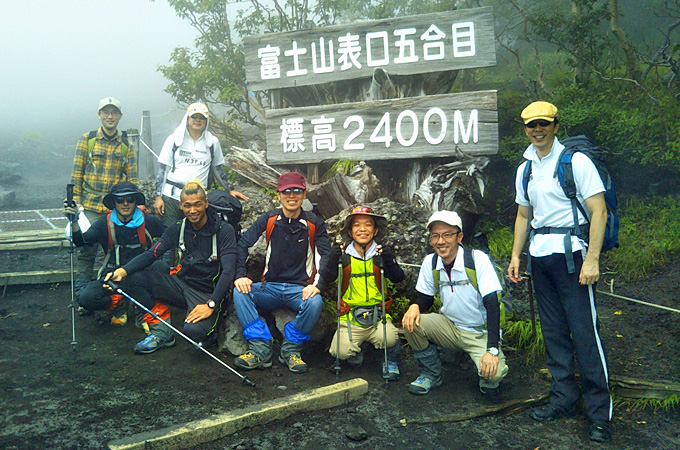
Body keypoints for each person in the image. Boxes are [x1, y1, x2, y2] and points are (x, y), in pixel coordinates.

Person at [508, 101, 612, 443]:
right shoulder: (525, 168)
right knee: (553, 333)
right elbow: (524, 216)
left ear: (555, 125)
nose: (537, 130)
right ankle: (563, 398)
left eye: (544, 124)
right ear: (525, 128)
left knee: (585, 334)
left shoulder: (575, 161)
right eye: (531, 125)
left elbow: (599, 211)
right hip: (540, 258)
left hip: (573, 258)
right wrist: (516, 257)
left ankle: (599, 414)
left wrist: (592, 259)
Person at [106, 179, 237, 354]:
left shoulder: (223, 230)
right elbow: (152, 254)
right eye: (188, 205)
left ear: (206, 204)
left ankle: (215, 322)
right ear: (181, 206)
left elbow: (229, 271)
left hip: (207, 293)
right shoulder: (178, 227)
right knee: (132, 279)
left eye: (197, 205)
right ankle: (162, 331)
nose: (193, 210)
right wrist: (122, 271)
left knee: (193, 332)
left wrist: (211, 304)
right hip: (181, 284)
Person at [232, 172, 330, 373]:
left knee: (315, 302)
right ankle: (260, 349)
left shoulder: (314, 223)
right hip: (269, 288)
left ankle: (291, 350)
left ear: (304, 194)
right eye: (286, 191)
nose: (291, 195)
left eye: (297, 191)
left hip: (300, 290)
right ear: (279, 194)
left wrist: (317, 286)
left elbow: (325, 258)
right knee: (240, 292)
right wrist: (240, 275)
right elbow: (242, 245)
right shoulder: (269, 219)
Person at [402, 210, 508, 396]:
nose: (440, 241)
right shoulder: (431, 262)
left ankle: (486, 370)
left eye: (447, 235)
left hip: (478, 332)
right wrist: (414, 306)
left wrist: (492, 349)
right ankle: (431, 374)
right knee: (411, 324)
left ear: (459, 237)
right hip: (449, 326)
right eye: (435, 236)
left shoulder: (477, 260)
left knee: (494, 375)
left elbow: (492, 305)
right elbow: (425, 298)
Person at [317, 206, 404, 379]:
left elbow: (397, 278)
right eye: (357, 225)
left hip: (378, 315)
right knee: (339, 352)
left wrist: (389, 260)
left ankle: (391, 360)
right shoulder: (344, 256)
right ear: (350, 231)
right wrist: (333, 259)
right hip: (350, 317)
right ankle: (357, 350)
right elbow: (327, 278)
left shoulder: (380, 254)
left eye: (368, 225)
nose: (362, 229)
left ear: (375, 230)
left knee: (391, 339)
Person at [64, 182, 166, 326]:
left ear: (136, 201)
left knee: (161, 267)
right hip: (113, 275)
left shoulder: (148, 221)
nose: (125, 204)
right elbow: (81, 242)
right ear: (113, 202)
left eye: (130, 199)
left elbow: (169, 237)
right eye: (119, 200)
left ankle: (143, 308)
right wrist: (74, 221)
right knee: (86, 298)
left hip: (141, 273)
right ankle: (118, 303)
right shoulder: (104, 223)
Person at [70, 97, 138, 310]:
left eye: (114, 112)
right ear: (99, 115)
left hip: (116, 208)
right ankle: (83, 298)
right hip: (89, 207)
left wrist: (135, 206)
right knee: (86, 252)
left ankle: (114, 296)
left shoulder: (126, 144)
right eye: (106, 112)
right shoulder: (87, 140)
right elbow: (77, 173)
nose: (110, 116)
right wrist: (76, 203)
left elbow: (133, 179)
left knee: (117, 250)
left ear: (119, 116)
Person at [154, 102, 248, 227]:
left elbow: (217, 169)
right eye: (194, 116)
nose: (198, 120)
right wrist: (158, 197)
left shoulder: (212, 142)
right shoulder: (174, 139)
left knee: (197, 236)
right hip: (172, 196)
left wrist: (229, 190)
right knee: (170, 234)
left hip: (197, 199)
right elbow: (163, 170)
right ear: (187, 119)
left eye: (202, 117)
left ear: (206, 120)